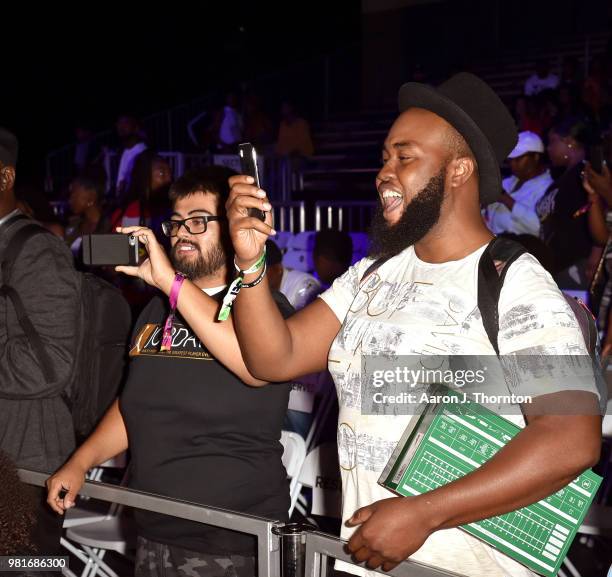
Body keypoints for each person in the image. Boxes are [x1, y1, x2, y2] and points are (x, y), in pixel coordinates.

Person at [224, 73, 601, 577]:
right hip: (370, 562)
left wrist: (424, 513)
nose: (384, 172)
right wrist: (249, 263)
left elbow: (571, 437)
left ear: (459, 170)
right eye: (384, 157)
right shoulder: (373, 273)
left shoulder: (513, 280)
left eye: (404, 157)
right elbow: (277, 357)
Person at [47, 166, 293, 577]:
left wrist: (172, 284)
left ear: (234, 227)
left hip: (231, 536)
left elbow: (256, 365)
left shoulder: (264, 313)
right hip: (153, 523)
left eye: (199, 221)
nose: (181, 233)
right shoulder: (158, 309)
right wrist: (81, 461)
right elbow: (136, 404)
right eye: (176, 222)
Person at [0, 127, 80, 557]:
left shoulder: (38, 251)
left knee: (23, 568)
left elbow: (52, 362)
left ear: (5, 178)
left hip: (24, 469)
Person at [536, 118, 594, 288]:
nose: (548, 148)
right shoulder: (562, 179)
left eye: (553, 141)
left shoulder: (585, 175)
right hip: (556, 265)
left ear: (569, 142)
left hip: (575, 265)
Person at [484, 131, 553, 236]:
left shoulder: (548, 188)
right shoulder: (507, 182)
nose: (512, 164)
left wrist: (507, 200)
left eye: (518, 159)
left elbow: (539, 227)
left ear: (535, 157)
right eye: (510, 160)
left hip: (518, 249)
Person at [266, 239, 321, 309]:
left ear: (278, 268)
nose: (257, 276)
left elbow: (302, 317)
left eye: (263, 271)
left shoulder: (304, 284)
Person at [115, 115, 147, 198]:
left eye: (126, 123)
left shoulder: (143, 152)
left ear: (136, 127)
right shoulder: (120, 152)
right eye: (119, 123)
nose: (121, 126)